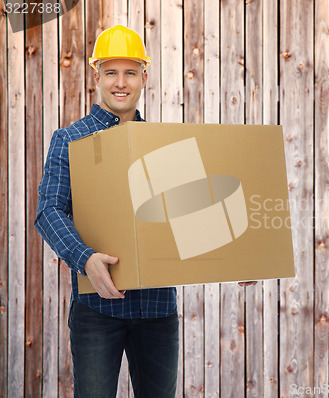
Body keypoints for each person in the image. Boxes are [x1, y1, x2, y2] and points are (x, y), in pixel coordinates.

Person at [36, 24, 256, 398]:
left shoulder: (163, 145)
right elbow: (49, 210)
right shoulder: (70, 140)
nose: (120, 83)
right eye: (111, 72)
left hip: (157, 311)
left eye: (130, 73)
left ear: (144, 78)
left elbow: (192, 216)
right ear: (97, 77)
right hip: (97, 309)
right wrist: (84, 258)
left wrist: (234, 260)